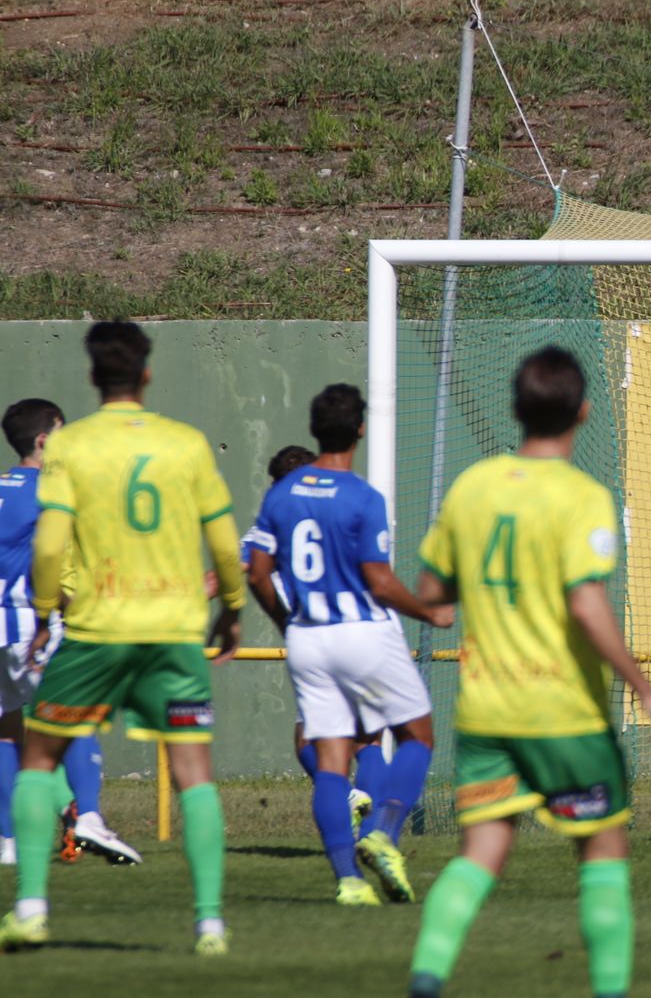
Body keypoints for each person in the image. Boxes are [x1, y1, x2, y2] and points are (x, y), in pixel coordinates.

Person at [405, 346, 651, 998]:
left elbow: (430, 593)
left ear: (515, 409)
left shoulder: (472, 487)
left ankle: (426, 978)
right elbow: (585, 602)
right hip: (564, 713)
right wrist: (646, 691)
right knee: (602, 856)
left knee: (480, 857)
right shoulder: (581, 497)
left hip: (485, 711)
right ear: (584, 411)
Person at [0, 321, 245, 955]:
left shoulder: (71, 447)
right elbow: (223, 538)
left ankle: (30, 907)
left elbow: (51, 544)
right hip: (171, 634)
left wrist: (49, 614)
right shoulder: (185, 444)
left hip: (95, 631)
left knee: (36, 758)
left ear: (91, 377)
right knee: (195, 774)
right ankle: (210, 923)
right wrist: (235, 607)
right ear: (148, 372)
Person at [248, 385, 451, 907]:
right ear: (361, 429)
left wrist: (286, 621)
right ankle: (383, 830)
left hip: (308, 638)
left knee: (331, 759)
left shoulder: (283, 493)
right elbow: (380, 583)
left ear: (315, 431)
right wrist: (429, 611)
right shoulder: (362, 496)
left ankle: (348, 881)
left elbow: (257, 573)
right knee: (417, 735)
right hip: (363, 631)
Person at [0, 399, 143, 869]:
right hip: (31, 625)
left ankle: (7, 840)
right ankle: (90, 817)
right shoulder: (50, 488)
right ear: (44, 441)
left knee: (5, 731)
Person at [240, 444, 387, 834]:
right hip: (367, 631)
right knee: (368, 740)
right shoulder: (348, 507)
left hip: (316, 635)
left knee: (310, 740)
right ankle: (373, 830)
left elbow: (247, 566)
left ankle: (349, 806)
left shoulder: (273, 520)